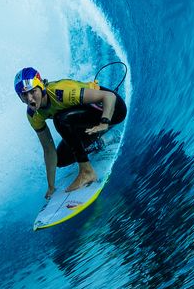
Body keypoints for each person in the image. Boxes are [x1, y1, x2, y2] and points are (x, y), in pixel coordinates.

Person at [14, 66, 127, 198]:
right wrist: (51, 186)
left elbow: (109, 96)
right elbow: (48, 149)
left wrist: (104, 122)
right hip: (89, 120)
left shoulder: (60, 92)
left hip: (114, 110)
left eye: (33, 91)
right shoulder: (33, 115)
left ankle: (86, 171)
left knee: (60, 120)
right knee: (61, 159)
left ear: (41, 87)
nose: (30, 99)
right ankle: (101, 142)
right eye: (24, 95)